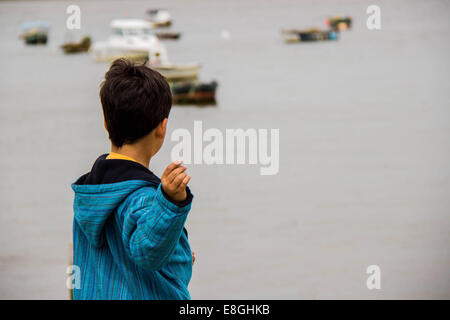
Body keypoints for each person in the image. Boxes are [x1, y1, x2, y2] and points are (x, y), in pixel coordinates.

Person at [71, 58, 194, 299]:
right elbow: (146, 251)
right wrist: (171, 203)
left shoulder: (89, 196)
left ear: (106, 123)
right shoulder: (143, 198)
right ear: (162, 127)